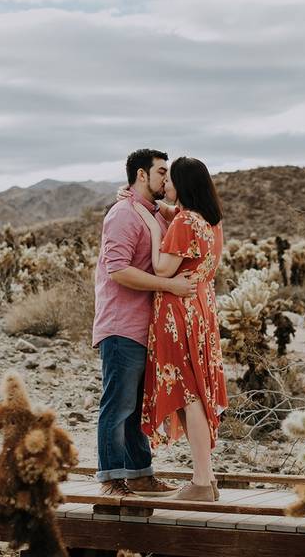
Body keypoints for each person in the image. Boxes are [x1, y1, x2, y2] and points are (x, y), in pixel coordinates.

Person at [92, 148, 195, 497]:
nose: (167, 178)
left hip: (145, 328)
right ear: (141, 175)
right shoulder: (123, 215)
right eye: (162, 172)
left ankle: (139, 473)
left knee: (137, 406)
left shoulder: (152, 214)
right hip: (121, 325)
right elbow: (117, 270)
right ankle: (110, 479)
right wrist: (169, 285)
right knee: (118, 404)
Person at [130, 156, 227, 502]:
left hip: (179, 315)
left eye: (170, 180)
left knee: (189, 395)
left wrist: (150, 222)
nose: (165, 185)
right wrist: (167, 216)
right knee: (197, 392)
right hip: (202, 309)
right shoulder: (210, 222)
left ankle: (201, 481)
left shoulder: (185, 221)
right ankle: (207, 478)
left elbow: (161, 268)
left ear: (183, 185)